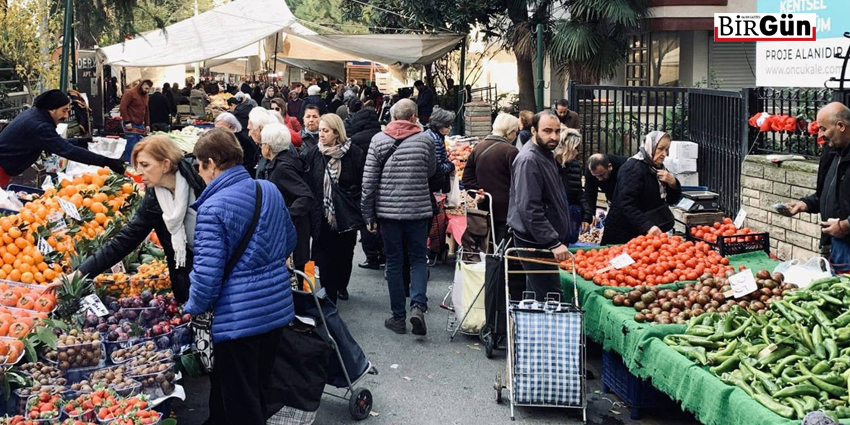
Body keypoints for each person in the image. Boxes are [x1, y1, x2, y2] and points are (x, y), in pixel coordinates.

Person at [184, 128, 296, 425]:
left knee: (241, 403)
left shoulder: (211, 209)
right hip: (275, 311)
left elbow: (207, 278)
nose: (198, 171)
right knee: (257, 389)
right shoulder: (267, 189)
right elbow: (289, 240)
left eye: (199, 164)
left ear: (211, 162)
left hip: (237, 321)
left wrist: (191, 309)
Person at [54, 136, 204, 302]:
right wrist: (79, 273)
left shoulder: (202, 185)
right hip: (186, 281)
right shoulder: (155, 198)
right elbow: (125, 240)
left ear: (166, 165)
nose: (139, 172)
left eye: (145, 165)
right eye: (137, 166)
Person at [362, 99, 435, 335]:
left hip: (388, 213)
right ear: (414, 117)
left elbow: (369, 182)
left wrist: (368, 214)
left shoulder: (378, 140)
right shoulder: (425, 140)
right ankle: (418, 306)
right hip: (418, 210)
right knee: (418, 259)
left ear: (392, 117)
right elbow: (431, 171)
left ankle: (398, 317)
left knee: (394, 261)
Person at [0, 89, 124, 187]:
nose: (66, 115)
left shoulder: (34, 115)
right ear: (52, 110)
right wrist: (106, 162)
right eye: (64, 111)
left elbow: (55, 143)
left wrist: (82, 141)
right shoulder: (40, 126)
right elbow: (67, 150)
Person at [507, 111, 570, 301]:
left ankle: (530, 331)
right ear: (533, 130)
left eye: (557, 131)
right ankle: (550, 331)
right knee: (550, 297)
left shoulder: (545, 154)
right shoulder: (529, 159)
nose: (554, 137)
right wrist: (553, 242)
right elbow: (529, 208)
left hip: (538, 238)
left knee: (537, 296)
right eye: (547, 131)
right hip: (534, 240)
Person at [782, 102, 850, 270]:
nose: (820, 135)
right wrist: (804, 204)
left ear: (840, 126)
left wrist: (846, 225)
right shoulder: (832, 152)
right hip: (834, 243)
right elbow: (827, 194)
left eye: (823, 129)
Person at [304, 114, 365, 302]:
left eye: (326, 131)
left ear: (337, 133)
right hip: (321, 214)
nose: (321, 134)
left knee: (345, 254)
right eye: (320, 130)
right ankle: (329, 294)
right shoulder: (314, 153)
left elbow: (362, 182)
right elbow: (308, 182)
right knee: (323, 256)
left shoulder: (354, 153)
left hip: (345, 214)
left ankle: (341, 285)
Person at [601, 131, 682, 245]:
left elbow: (672, 200)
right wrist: (647, 226)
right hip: (625, 234)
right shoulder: (633, 168)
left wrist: (673, 183)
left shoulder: (658, 169)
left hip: (644, 235)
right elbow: (626, 203)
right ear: (650, 146)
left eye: (666, 149)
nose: (664, 154)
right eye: (660, 149)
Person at [257, 123, 315, 277]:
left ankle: (305, 299)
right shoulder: (284, 161)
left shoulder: (282, 168)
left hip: (293, 229)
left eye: (262, 144)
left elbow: (305, 196)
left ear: (268, 147)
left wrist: (285, 215)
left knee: (298, 271)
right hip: (296, 228)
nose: (260, 147)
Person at [462, 113, 520, 244]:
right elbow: (519, 181)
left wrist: (478, 192)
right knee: (503, 246)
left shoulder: (478, 147)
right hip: (507, 209)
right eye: (515, 132)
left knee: (487, 244)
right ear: (509, 133)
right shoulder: (511, 151)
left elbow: (467, 178)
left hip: (485, 206)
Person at [555, 127, 591, 242]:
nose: (577, 152)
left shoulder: (574, 164)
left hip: (570, 214)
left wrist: (587, 215)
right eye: (574, 148)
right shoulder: (549, 165)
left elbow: (579, 192)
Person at [583, 153, 628, 223]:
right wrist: (590, 214)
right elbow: (590, 193)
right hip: (611, 199)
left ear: (610, 166)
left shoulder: (624, 166)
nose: (599, 179)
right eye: (595, 176)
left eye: (601, 175)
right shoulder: (590, 171)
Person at [214, 112, 259, 178]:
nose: (218, 133)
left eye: (222, 129)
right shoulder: (224, 139)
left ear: (233, 128)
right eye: (216, 129)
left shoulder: (242, 140)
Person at [423, 107, 456, 194]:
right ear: (439, 126)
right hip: (434, 184)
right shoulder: (435, 140)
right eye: (447, 126)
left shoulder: (432, 135)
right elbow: (439, 167)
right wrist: (451, 166)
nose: (450, 128)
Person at [119, 80, 152, 161]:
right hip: (131, 123)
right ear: (141, 85)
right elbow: (123, 107)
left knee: (139, 145)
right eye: (146, 88)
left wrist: (147, 124)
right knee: (131, 144)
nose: (147, 91)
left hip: (139, 124)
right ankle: (129, 162)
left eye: (148, 89)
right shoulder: (130, 93)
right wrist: (127, 121)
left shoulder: (146, 96)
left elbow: (146, 110)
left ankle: (134, 162)